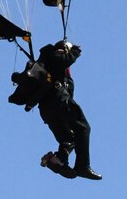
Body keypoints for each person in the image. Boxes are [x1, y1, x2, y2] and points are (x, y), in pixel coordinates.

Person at [9, 39, 101, 180]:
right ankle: (82, 166)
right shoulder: (53, 54)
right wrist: (74, 51)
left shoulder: (50, 65)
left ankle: (58, 160)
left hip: (47, 111)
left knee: (69, 137)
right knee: (83, 128)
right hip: (59, 101)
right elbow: (63, 60)